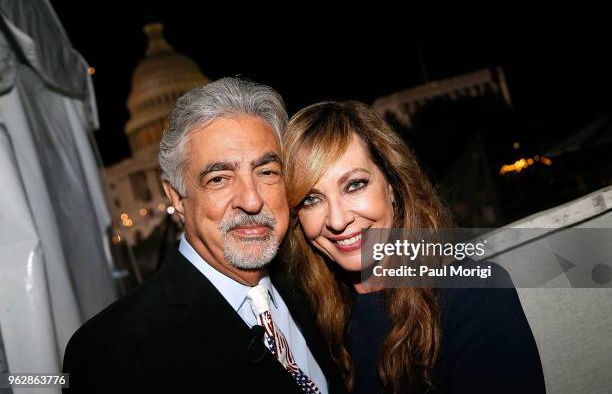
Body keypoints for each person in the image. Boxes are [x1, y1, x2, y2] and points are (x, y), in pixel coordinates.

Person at [62, 78, 346, 393]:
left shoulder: (321, 284)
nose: (251, 200)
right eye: (219, 179)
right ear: (176, 198)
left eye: (266, 172)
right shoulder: (111, 353)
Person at [282, 100, 546, 393]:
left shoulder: (472, 295)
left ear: (392, 186)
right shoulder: (314, 318)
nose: (337, 219)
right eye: (311, 199)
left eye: (354, 185)